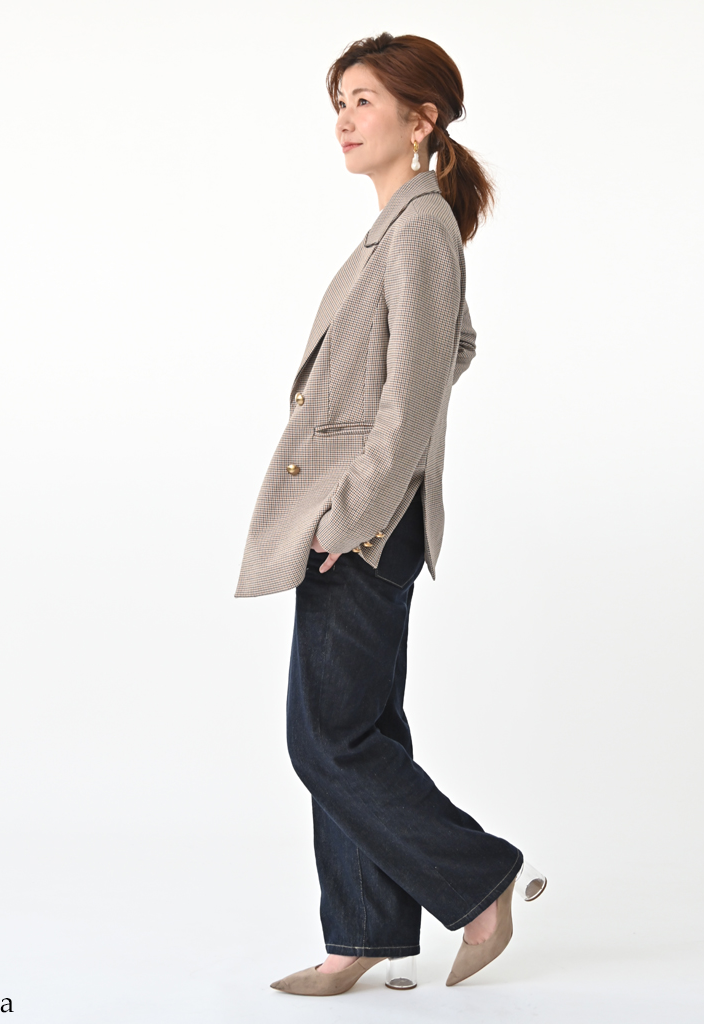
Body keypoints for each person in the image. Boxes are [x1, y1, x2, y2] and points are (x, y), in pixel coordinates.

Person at [235, 32, 527, 995]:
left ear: (421, 117)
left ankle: (479, 880)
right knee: (360, 729)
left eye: (364, 100)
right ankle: (359, 932)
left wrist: (354, 507)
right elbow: (453, 348)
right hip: (359, 512)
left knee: (327, 738)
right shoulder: (400, 225)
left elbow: (413, 390)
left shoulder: (419, 226)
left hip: (361, 520)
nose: (345, 119)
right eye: (340, 102)